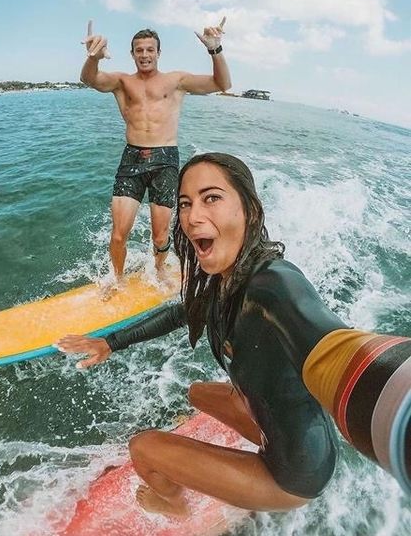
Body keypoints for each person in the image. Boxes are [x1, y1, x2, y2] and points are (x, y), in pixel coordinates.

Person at [57, 153, 411, 515]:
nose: (193, 217)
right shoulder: (226, 283)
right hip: (289, 429)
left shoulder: (273, 283)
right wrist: (109, 342)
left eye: (212, 198)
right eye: (185, 203)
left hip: (293, 473)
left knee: (143, 447)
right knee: (196, 393)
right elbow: (181, 314)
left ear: (249, 211)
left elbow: (336, 346)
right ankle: (259, 432)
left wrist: (400, 405)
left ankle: (176, 504)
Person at [80, 18, 232, 278]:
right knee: (118, 235)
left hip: (165, 160)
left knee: (160, 236)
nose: (145, 55)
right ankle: (117, 280)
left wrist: (215, 49)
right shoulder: (121, 82)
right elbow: (89, 79)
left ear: (158, 53)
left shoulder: (176, 81)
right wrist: (94, 56)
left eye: (150, 50)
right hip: (132, 158)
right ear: (132, 54)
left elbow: (222, 84)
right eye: (139, 50)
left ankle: (160, 270)